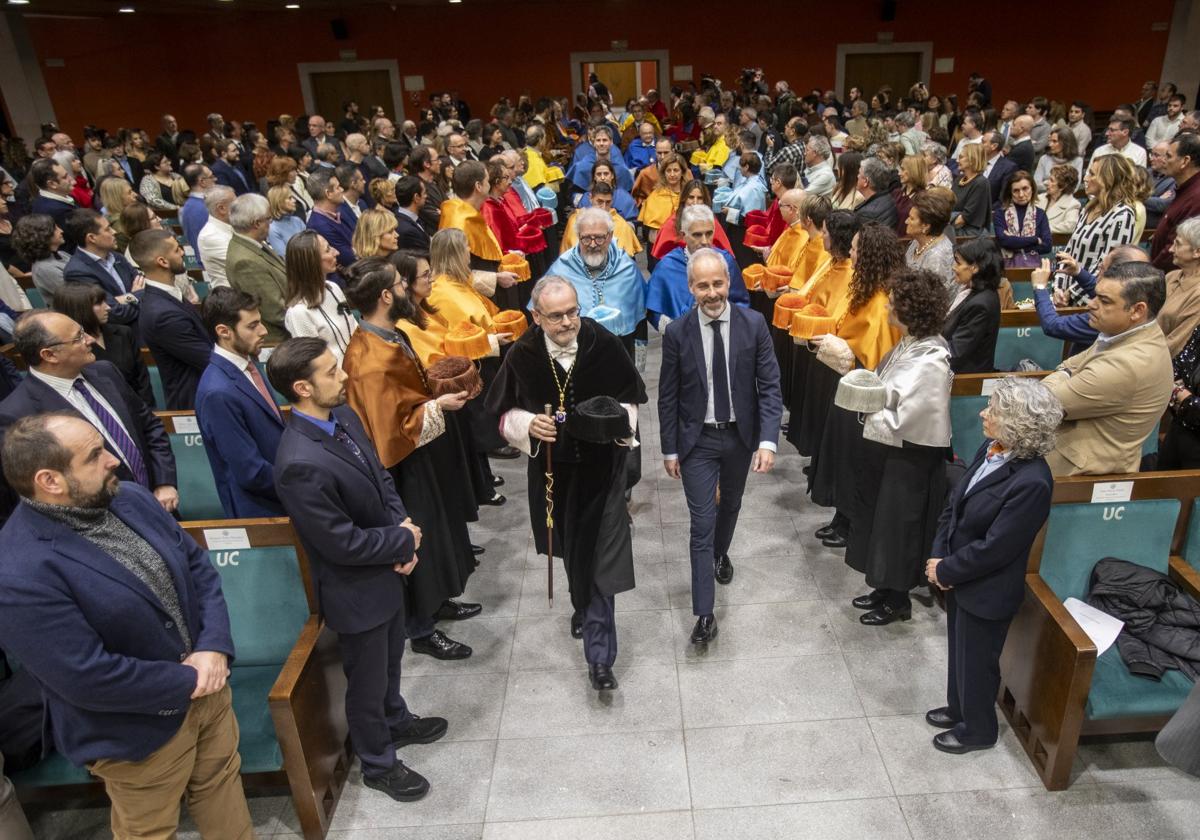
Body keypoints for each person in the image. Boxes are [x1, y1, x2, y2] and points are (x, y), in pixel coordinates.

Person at [0, 412, 253, 837]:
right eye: (94, 455)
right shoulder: (17, 571)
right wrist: (187, 678)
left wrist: (213, 647)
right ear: (50, 481)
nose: (113, 460)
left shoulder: (130, 498)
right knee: (148, 830)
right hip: (134, 731)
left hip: (209, 688)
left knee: (222, 787)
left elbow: (197, 568)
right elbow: (84, 675)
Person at [269, 337, 444, 803]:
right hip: (355, 589)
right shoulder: (297, 462)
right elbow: (338, 542)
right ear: (303, 388)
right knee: (365, 684)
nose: (344, 375)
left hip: (386, 568)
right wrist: (401, 540)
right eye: (331, 372)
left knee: (390, 663)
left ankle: (397, 719)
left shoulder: (342, 418)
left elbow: (381, 478)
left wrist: (402, 527)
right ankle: (379, 763)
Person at [488, 276, 646, 688]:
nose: (567, 323)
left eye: (572, 312)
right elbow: (500, 413)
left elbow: (631, 400)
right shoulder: (522, 354)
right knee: (571, 550)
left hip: (603, 474)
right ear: (536, 316)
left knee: (600, 562)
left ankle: (599, 657)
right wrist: (527, 423)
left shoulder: (603, 343)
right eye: (556, 316)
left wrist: (618, 426)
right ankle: (581, 602)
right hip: (553, 476)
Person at [341, 257, 480, 661]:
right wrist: (440, 406)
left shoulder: (388, 334)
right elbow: (389, 432)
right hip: (400, 467)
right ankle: (421, 627)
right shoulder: (371, 359)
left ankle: (437, 603)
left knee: (435, 535)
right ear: (386, 295)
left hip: (418, 458)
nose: (408, 289)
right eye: (402, 284)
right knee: (416, 541)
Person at [925, 377, 1060, 754]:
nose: (983, 413)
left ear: (1018, 423)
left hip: (987, 587)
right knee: (959, 651)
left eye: (995, 411)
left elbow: (997, 548)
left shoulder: (1033, 482)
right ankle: (958, 708)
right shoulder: (991, 446)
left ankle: (979, 729)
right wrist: (939, 556)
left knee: (979, 662)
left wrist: (946, 570)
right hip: (958, 573)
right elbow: (956, 504)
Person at [659, 248, 781, 645]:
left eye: (718, 283)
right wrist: (670, 449)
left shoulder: (754, 323)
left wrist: (767, 440)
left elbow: (769, 386)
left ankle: (720, 552)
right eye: (702, 285)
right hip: (698, 440)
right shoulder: (678, 332)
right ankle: (705, 614)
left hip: (740, 437)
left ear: (729, 282)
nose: (711, 293)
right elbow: (668, 396)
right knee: (701, 523)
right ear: (690, 288)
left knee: (730, 504)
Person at [846, 268, 952, 625]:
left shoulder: (932, 358)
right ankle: (883, 588)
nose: (888, 308)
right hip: (892, 453)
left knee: (900, 527)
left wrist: (864, 409)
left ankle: (898, 600)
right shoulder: (910, 343)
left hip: (912, 459)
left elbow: (910, 415)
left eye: (893, 304)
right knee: (882, 522)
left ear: (910, 310)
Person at [0, 311, 178, 519]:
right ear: (49, 355)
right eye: (78, 338)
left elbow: (149, 426)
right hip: (105, 526)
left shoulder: (106, 372)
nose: (90, 339)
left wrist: (164, 481)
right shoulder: (15, 416)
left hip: (160, 507)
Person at [806, 222, 904, 546]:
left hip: (863, 393)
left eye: (857, 248)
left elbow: (874, 358)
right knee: (841, 456)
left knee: (854, 462)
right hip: (845, 384)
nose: (851, 252)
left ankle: (851, 523)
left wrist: (835, 347)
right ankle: (841, 517)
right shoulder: (864, 289)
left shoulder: (880, 302)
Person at [1042, 261, 1173, 475]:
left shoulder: (1127, 363)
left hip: (1079, 474)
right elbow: (1069, 365)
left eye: (1104, 301)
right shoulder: (1126, 332)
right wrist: (1066, 373)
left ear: (1137, 310)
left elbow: (1045, 403)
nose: (1091, 305)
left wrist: (1063, 374)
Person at [194, 286, 286, 518]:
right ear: (224, 331)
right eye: (252, 326)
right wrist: (304, 488)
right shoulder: (218, 392)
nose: (263, 331)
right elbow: (250, 472)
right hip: (263, 511)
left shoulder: (246, 363)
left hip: (281, 494)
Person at [542, 207, 646, 355]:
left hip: (620, 352)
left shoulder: (627, 268)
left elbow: (640, 316)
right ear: (578, 236)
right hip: (577, 352)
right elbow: (545, 316)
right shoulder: (561, 270)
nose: (592, 244)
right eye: (586, 238)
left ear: (610, 236)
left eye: (599, 238)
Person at [130, 229, 212, 410]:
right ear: (162, 261)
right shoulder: (162, 315)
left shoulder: (166, 296)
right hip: (196, 399)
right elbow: (208, 359)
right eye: (176, 250)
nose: (182, 252)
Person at [1054, 155, 1139, 306]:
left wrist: (1071, 294)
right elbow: (1068, 252)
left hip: (1091, 301)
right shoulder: (1089, 207)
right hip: (1064, 297)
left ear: (1109, 179)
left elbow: (1108, 266)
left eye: (1092, 174)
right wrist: (1058, 289)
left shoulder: (1122, 215)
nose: (1085, 178)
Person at [51, 281, 152, 406]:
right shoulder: (70, 348)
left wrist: (147, 410)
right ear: (80, 309)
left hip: (139, 408)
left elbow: (142, 379)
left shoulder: (123, 332)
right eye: (99, 303)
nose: (108, 307)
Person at [283, 230, 357, 364]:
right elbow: (314, 362)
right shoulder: (298, 313)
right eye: (328, 250)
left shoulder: (333, 287)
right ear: (311, 262)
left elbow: (353, 327)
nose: (336, 252)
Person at [62, 208, 142, 327]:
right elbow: (115, 313)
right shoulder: (77, 272)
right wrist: (136, 295)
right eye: (107, 229)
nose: (114, 231)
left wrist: (124, 299)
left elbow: (144, 283)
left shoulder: (116, 256)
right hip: (123, 334)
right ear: (92, 238)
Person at [226, 193, 289, 341]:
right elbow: (275, 312)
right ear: (256, 223)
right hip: (280, 339)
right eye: (269, 218)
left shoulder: (252, 243)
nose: (271, 223)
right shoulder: (245, 262)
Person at [943, 237, 1002, 373]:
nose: (953, 267)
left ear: (974, 267)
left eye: (958, 263)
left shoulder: (981, 304)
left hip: (964, 380)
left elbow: (955, 353)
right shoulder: (973, 292)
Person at [1151, 133, 1200, 272]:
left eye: (1169, 156)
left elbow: (1178, 245)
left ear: (1185, 161)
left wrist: (1151, 272)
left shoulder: (1196, 196)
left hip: (1169, 275)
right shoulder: (1185, 188)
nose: (1164, 160)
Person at [1156, 218, 1200, 356]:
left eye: (1178, 244)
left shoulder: (1197, 295)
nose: (1170, 249)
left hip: (1159, 362)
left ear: (1197, 252)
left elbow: (1177, 344)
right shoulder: (1172, 276)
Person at [561, 182, 642, 257]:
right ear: (590, 198)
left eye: (608, 202)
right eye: (599, 202)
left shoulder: (620, 223)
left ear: (612, 201)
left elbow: (625, 258)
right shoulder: (575, 220)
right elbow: (567, 254)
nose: (603, 207)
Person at [993, 171, 1052, 268]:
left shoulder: (1040, 214)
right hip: (1006, 266)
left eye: (1025, 189)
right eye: (1016, 190)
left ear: (1032, 189)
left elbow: (1047, 246)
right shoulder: (1000, 214)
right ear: (1010, 193)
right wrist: (1035, 239)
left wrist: (1014, 241)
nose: (1021, 194)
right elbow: (1004, 241)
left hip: (1033, 267)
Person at [305, 167, 358, 272]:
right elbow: (350, 258)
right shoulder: (319, 226)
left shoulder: (341, 209)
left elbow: (362, 234)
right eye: (338, 187)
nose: (342, 190)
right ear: (328, 194)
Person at [904, 188, 955, 291]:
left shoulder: (938, 257)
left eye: (911, 218)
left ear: (926, 226)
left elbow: (933, 298)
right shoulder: (916, 242)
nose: (906, 221)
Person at [13, 213, 70, 301]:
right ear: (42, 235)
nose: (61, 231)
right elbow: (75, 297)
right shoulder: (44, 268)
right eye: (55, 229)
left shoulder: (61, 254)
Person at [637, 153, 685, 246]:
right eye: (668, 171)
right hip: (662, 246)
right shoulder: (656, 196)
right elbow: (652, 235)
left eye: (676, 170)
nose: (672, 174)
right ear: (664, 173)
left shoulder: (689, 194)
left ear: (682, 172)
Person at [197, 185, 236, 287]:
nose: (241, 207)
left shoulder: (231, 224)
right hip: (233, 296)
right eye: (236, 204)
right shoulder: (210, 236)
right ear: (222, 208)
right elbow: (244, 261)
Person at [951, 144, 992, 237]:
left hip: (969, 233)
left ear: (972, 160)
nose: (957, 160)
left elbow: (964, 218)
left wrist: (944, 223)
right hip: (953, 227)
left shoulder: (981, 183)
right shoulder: (959, 178)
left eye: (961, 157)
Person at [1033, 127, 1083, 193]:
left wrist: (1047, 183)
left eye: (1054, 141)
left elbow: (1074, 187)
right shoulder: (1044, 159)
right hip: (1045, 196)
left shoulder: (1077, 161)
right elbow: (1036, 183)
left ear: (1066, 143)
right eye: (1050, 141)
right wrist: (1059, 186)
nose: (1050, 145)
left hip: (1066, 199)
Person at [1036, 164, 1082, 236]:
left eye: (1051, 180)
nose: (1046, 183)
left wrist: (1043, 229)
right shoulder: (1040, 198)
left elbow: (1070, 226)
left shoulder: (1073, 204)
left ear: (1062, 186)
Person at [854, 157, 899, 228]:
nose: (857, 176)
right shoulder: (888, 197)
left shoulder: (866, 214)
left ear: (866, 181)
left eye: (859, 173)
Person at [394, 175, 433, 251]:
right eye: (424, 193)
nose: (426, 196)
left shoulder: (402, 217)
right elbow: (426, 252)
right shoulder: (408, 231)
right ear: (416, 198)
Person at [267, 184, 306, 256]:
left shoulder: (297, 220)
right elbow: (284, 257)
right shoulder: (272, 229)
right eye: (290, 198)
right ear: (279, 201)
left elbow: (311, 244)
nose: (294, 200)